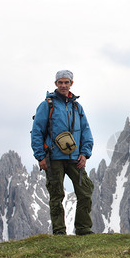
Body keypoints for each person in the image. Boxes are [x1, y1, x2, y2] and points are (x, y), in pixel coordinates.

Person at [31, 70, 94, 235]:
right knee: (56, 195)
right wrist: (40, 156)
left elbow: (86, 131)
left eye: (66, 82)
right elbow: (37, 131)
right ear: (56, 84)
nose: (63, 85)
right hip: (53, 158)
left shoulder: (77, 106)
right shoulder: (47, 105)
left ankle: (83, 228)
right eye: (60, 82)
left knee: (85, 191)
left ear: (71, 84)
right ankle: (59, 231)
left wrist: (85, 154)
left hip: (75, 158)